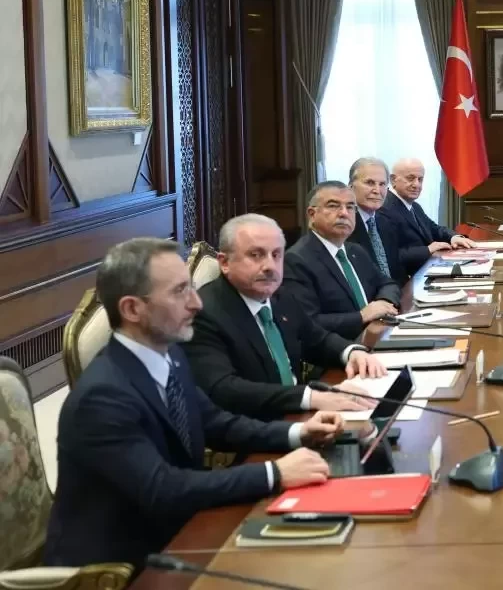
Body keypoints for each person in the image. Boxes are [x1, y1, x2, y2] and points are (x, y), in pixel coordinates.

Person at [43, 238, 341, 569]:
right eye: (179, 292)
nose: (197, 303)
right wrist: (275, 472)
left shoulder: (168, 353)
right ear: (132, 310)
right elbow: (163, 487)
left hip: (183, 527)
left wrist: (299, 432)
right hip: (124, 565)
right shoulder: (101, 398)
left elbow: (216, 422)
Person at [185, 214, 385, 420]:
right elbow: (226, 389)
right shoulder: (203, 313)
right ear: (225, 262)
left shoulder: (280, 295)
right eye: (256, 255)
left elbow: (316, 339)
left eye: (276, 255)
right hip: (256, 426)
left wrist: (352, 352)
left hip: (299, 415)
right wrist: (310, 397)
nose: (269, 266)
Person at [282, 182, 401, 341]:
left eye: (350, 207)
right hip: (340, 349)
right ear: (312, 214)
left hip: (376, 334)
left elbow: (388, 284)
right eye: (333, 206)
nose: (344, 213)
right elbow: (307, 322)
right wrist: (361, 316)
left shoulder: (355, 251)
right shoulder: (296, 260)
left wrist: (383, 303)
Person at [378, 157, 474, 277]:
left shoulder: (414, 206)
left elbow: (434, 229)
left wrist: (453, 237)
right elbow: (390, 255)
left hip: (427, 270)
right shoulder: (384, 208)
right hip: (408, 280)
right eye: (410, 178)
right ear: (393, 180)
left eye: (420, 179)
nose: (416, 184)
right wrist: (428, 249)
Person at [348, 157, 404, 284]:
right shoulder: (345, 225)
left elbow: (397, 271)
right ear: (351, 187)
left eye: (382, 184)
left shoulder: (388, 221)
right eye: (369, 183)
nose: (377, 191)